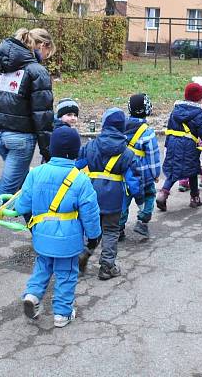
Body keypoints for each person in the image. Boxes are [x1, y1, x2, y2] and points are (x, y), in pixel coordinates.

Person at [0, 27, 55, 269]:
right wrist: (47, 151)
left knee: (23, 186)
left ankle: (41, 237)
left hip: (0, 135)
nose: (48, 57)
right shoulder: (36, 71)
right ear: (42, 46)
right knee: (3, 195)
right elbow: (43, 116)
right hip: (21, 140)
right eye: (49, 52)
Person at [15, 127, 102, 328]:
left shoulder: (36, 173)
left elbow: (22, 205)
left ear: (51, 149)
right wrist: (94, 235)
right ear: (76, 152)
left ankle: (32, 294)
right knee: (66, 273)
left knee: (42, 266)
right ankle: (62, 313)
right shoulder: (80, 179)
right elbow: (90, 211)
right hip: (68, 239)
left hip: (42, 234)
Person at [77, 108, 141, 280]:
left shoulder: (90, 146)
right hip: (113, 199)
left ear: (104, 125)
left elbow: (75, 168)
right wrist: (140, 198)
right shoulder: (127, 153)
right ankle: (107, 266)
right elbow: (133, 181)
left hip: (90, 195)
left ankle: (83, 254)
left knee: (91, 228)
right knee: (111, 231)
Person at [157, 82, 202, 211]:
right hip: (188, 145)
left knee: (177, 169)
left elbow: (169, 128)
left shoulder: (176, 110)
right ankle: (192, 198)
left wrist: (168, 145)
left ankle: (166, 194)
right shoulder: (199, 113)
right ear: (199, 98)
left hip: (173, 142)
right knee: (192, 170)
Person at [119, 93, 160, 241]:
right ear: (147, 109)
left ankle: (119, 228)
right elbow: (153, 156)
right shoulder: (148, 132)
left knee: (123, 199)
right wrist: (156, 174)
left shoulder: (120, 127)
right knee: (149, 195)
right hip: (143, 175)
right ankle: (142, 222)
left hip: (124, 173)